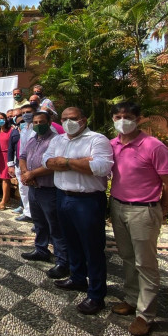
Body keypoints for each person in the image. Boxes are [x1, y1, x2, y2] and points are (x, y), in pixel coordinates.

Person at [108, 102, 168, 336]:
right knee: (127, 257)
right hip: (118, 206)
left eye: (127, 116)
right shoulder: (113, 145)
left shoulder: (154, 146)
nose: (122, 120)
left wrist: (163, 207)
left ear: (139, 119)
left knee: (145, 263)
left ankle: (145, 315)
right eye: (118, 116)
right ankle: (131, 299)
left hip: (143, 210)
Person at [42, 107, 113, 315]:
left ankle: (96, 294)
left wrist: (63, 162)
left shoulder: (97, 139)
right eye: (63, 119)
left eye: (72, 119)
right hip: (63, 196)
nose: (67, 122)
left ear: (83, 120)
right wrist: (80, 163)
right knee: (71, 242)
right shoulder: (58, 140)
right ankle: (78, 278)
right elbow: (46, 161)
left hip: (88, 200)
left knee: (93, 248)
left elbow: (101, 167)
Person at [18, 111, 69, 280]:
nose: (38, 124)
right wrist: (26, 173)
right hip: (34, 189)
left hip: (49, 189)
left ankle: (62, 261)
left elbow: (53, 164)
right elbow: (23, 156)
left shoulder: (56, 140)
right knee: (39, 222)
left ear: (50, 122)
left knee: (55, 226)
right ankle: (41, 250)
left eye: (41, 121)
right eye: (35, 122)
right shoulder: (33, 139)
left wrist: (32, 174)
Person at [13, 104, 36, 222]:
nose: (26, 115)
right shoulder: (23, 129)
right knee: (23, 189)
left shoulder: (39, 128)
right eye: (23, 113)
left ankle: (37, 217)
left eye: (29, 112)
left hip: (34, 167)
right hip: (21, 164)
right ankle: (27, 212)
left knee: (34, 193)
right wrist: (22, 167)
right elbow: (21, 150)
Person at [0, 112, 13, 210]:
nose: (0, 120)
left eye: (2, 118)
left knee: (5, 178)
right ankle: (8, 198)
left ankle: (3, 201)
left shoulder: (11, 130)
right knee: (4, 178)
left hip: (7, 156)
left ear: (6, 119)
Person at [7, 110, 23, 213]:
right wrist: (11, 165)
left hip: (31, 166)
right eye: (14, 116)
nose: (16, 117)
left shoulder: (33, 130)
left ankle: (32, 213)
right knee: (22, 189)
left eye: (18, 115)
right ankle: (23, 207)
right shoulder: (15, 131)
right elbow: (11, 149)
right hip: (18, 164)